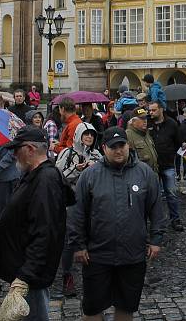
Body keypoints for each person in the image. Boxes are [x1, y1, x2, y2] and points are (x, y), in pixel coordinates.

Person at [69, 126, 166, 321]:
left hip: (132, 255)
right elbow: (77, 213)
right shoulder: (90, 175)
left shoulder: (145, 173)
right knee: (92, 309)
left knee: (126, 307)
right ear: (104, 148)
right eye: (113, 147)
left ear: (128, 145)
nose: (118, 150)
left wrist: (156, 239)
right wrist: (78, 246)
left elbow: (156, 209)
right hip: (97, 255)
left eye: (121, 145)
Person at [0, 126, 68, 321]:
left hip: (30, 276)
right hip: (25, 271)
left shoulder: (45, 179)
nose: (14, 155)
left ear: (29, 149)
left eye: (16, 150)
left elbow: (45, 233)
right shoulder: (33, 175)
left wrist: (25, 276)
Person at [55, 122, 103, 297]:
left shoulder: (97, 154)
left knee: (93, 236)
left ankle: (94, 274)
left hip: (93, 203)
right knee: (70, 240)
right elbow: (59, 178)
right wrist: (76, 169)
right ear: (78, 136)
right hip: (72, 203)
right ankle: (67, 276)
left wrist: (94, 169)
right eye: (86, 134)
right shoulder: (67, 154)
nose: (89, 137)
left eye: (92, 134)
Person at [147, 100, 184, 231]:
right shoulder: (147, 123)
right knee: (153, 196)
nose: (151, 112)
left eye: (153, 110)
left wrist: (171, 152)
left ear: (161, 109)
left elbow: (178, 141)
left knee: (172, 193)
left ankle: (175, 219)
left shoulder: (171, 124)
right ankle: (156, 222)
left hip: (168, 164)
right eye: (150, 110)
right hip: (152, 166)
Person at [125, 108, 159, 172]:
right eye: (141, 118)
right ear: (133, 121)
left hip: (153, 175)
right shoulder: (128, 136)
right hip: (140, 177)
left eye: (145, 118)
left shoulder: (146, 133)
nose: (145, 121)